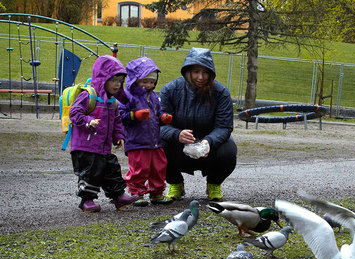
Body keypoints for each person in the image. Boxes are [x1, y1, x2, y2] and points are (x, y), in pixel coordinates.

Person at [159, 47, 238, 201]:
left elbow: (224, 126)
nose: (200, 77)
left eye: (205, 72)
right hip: (178, 143)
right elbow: (159, 124)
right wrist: (177, 134)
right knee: (156, 146)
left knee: (229, 151)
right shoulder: (169, 90)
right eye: (196, 72)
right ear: (187, 71)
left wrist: (209, 141)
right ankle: (175, 183)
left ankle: (214, 183)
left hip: (210, 145)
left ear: (211, 73)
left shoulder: (221, 92)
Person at [68, 55, 139, 212]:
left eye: (120, 81)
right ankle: (86, 200)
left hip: (103, 147)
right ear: (103, 78)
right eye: (114, 80)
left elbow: (117, 122)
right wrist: (88, 120)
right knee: (90, 173)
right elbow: (74, 112)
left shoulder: (111, 101)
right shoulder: (88, 95)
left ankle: (119, 196)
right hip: (86, 146)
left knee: (111, 169)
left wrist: (119, 136)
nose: (118, 84)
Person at [119, 57, 174, 206]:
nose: (149, 85)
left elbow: (158, 112)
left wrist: (163, 117)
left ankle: (156, 192)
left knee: (159, 166)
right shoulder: (127, 96)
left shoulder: (154, 96)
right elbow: (120, 115)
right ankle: (137, 192)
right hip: (137, 141)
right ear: (136, 80)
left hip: (154, 141)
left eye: (151, 82)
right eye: (145, 81)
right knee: (140, 168)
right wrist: (134, 115)